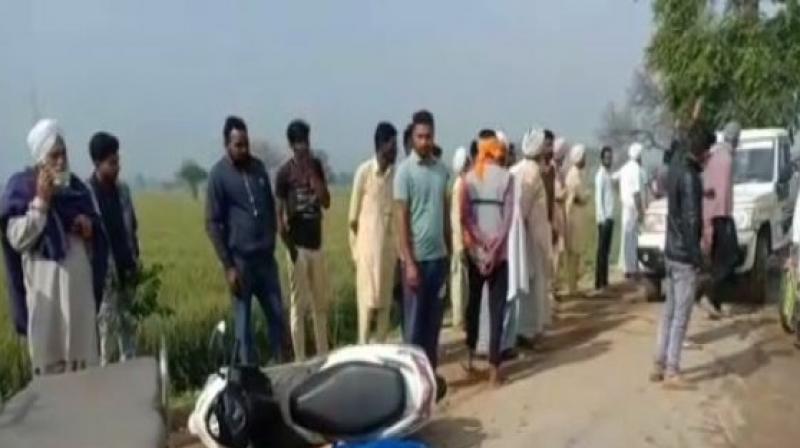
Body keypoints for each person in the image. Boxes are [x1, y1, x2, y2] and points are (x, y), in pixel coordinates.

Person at [0, 119, 108, 375]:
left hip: (79, 298)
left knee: (84, 374)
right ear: (40, 160)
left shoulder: (78, 191)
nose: (61, 162)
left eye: (64, 154)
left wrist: (88, 228)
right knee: (51, 371)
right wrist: (41, 202)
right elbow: (17, 239)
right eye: (54, 156)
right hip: (46, 298)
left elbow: (98, 237)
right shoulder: (22, 189)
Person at [206, 116, 288, 364]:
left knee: (278, 318)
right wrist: (229, 266)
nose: (243, 149)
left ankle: (283, 368)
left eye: (246, 143)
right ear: (226, 145)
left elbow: (269, 205)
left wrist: (272, 237)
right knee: (243, 328)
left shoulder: (258, 168)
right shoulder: (218, 176)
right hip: (241, 264)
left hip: (266, 261)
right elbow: (212, 223)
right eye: (238, 145)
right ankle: (247, 375)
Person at [652, 118, 715, 389]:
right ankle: (672, 369)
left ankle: (659, 362)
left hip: (671, 250)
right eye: (708, 152)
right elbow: (691, 221)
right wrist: (698, 257)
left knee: (669, 311)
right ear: (702, 152)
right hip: (683, 255)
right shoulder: (691, 177)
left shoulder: (677, 168)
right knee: (681, 315)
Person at [394, 110, 450, 370]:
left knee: (433, 327)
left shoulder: (441, 171)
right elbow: (401, 219)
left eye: (428, 136)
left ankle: (430, 377)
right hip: (416, 262)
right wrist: (409, 262)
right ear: (413, 138)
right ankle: (411, 379)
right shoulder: (404, 173)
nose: (425, 141)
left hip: (438, 260)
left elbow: (445, 214)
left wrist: (449, 252)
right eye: (420, 136)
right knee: (414, 328)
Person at [460, 134, 514, 385]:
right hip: (499, 254)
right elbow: (508, 219)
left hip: (475, 253)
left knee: (473, 306)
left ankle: (469, 357)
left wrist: (481, 243)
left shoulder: (469, 178)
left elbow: (465, 217)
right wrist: (494, 247)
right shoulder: (507, 178)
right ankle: (494, 368)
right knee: (496, 310)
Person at [276, 119, 332, 361]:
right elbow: (279, 216)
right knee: (298, 306)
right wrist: (290, 247)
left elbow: (326, 201)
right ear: (291, 145)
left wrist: (313, 177)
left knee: (320, 304)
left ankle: (323, 355)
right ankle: (300, 359)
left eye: (306, 142)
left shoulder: (316, 166)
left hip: (316, 244)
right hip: (297, 246)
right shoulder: (284, 173)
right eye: (299, 143)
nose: (304, 147)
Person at [87, 132, 140, 365]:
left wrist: (135, 260)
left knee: (129, 328)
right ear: (97, 163)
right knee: (105, 332)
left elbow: (132, 227)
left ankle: (130, 372)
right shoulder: (87, 195)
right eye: (112, 163)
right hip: (102, 277)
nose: (117, 167)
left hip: (125, 270)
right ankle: (106, 375)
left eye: (117, 161)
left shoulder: (123, 191)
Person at [349, 122, 399, 344]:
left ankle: (379, 350)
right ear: (381, 145)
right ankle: (362, 350)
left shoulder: (396, 176)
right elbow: (352, 219)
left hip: (388, 254)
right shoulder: (364, 173)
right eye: (393, 146)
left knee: (384, 307)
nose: (396, 151)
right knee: (366, 308)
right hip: (367, 254)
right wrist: (357, 253)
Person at [511, 128, 552, 346]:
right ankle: (528, 330)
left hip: (524, 234)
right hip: (531, 234)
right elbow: (523, 208)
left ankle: (525, 328)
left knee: (526, 280)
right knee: (533, 282)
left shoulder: (517, 168)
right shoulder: (532, 172)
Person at [701, 121, 740, 318]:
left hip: (711, 213)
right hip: (721, 214)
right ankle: (709, 295)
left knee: (718, 260)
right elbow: (723, 191)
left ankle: (715, 303)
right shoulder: (726, 158)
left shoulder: (713, 155)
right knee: (730, 258)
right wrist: (724, 216)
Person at [616, 142, 645, 279]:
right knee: (632, 238)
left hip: (625, 206)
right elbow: (636, 192)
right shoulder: (636, 169)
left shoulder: (625, 167)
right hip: (633, 207)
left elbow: (614, 178)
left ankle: (626, 266)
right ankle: (632, 268)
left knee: (626, 237)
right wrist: (641, 211)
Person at [564, 144, 589, 294]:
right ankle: (572, 287)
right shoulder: (573, 175)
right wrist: (586, 196)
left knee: (577, 252)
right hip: (573, 216)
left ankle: (574, 285)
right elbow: (579, 197)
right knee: (573, 253)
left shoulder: (579, 173)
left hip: (578, 216)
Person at [449, 146, 470, 330]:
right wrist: (461, 243)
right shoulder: (460, 186)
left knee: (463, 281)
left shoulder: (462, 184)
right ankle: (458, 318)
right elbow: (457, 218)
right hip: (459, 241)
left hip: (461, 240)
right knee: (459, 282)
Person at [595, 146, 616, 291]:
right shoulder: (600, 175)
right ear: (602, 159)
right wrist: (602, 218)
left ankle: (605, 280)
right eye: (607, 157)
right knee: (601, 251)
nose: (609, 160)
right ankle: (599, 282)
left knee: (606, 251)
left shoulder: (609, 174)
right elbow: (598, 198)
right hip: (604, 218)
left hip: (610, 216)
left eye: (610, 157)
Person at [550, 136, 570, 292]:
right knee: (554, 250)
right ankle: (551, 286)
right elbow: (557, 193)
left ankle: (555, 284)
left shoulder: (559, 170)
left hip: (559, 211)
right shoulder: (551, 169)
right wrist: (566, 191)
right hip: (554, 211)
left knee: (559, 250)